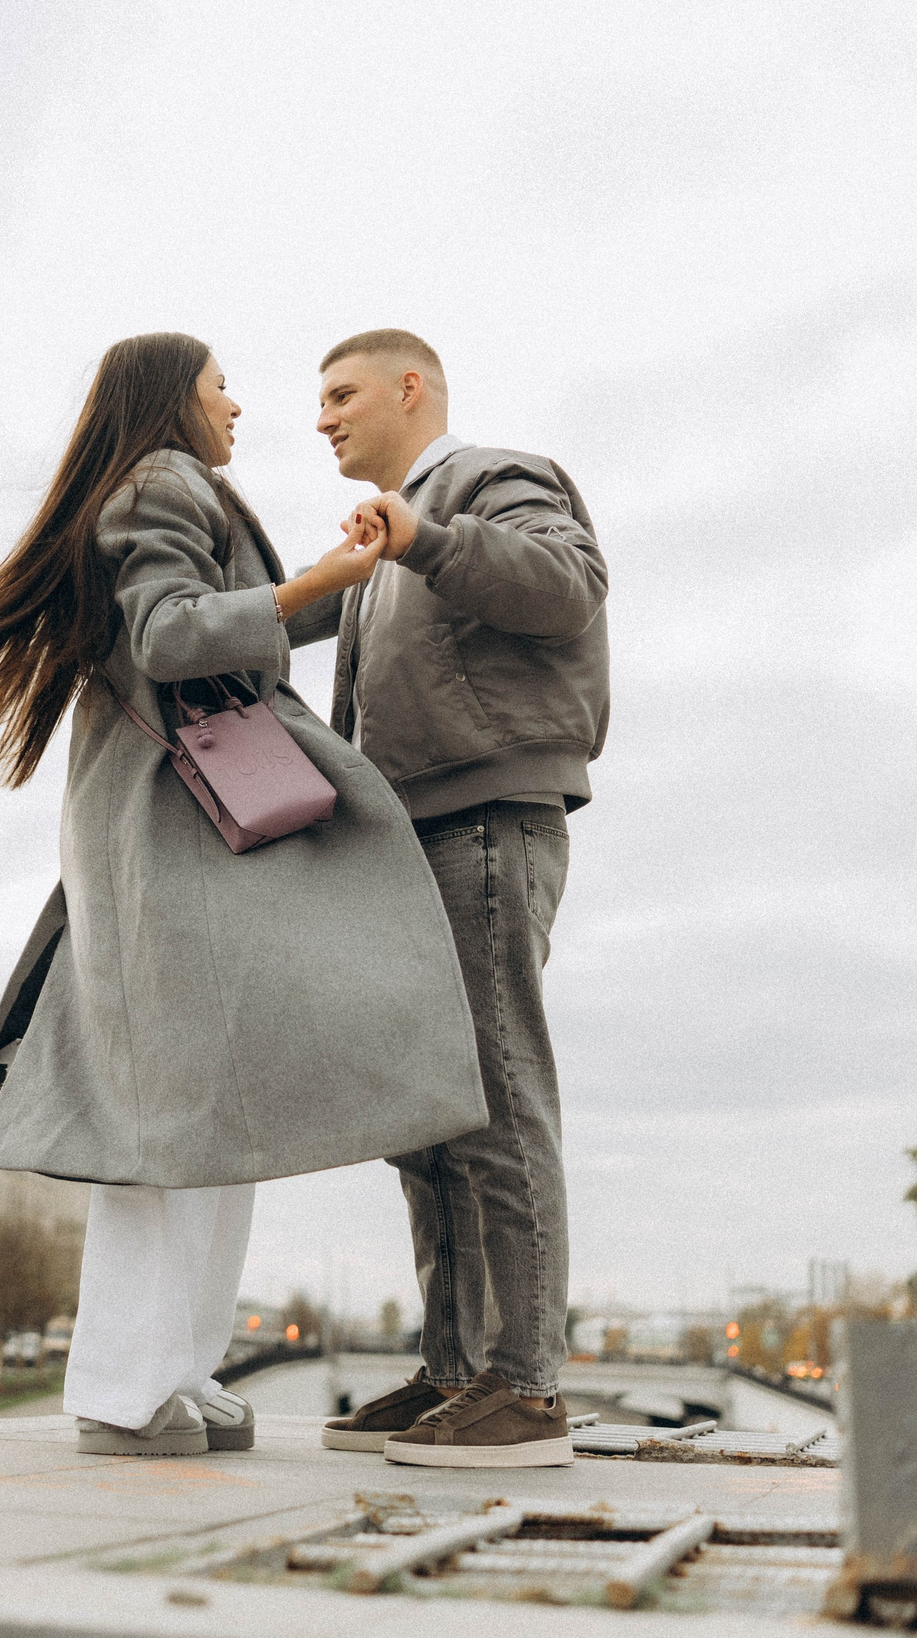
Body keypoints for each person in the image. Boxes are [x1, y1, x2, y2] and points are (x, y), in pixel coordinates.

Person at [0, 332, 485, 1457]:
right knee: (168, 1117)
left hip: (182, 829)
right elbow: (167, 636)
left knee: (211, 1111)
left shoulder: (173, 486)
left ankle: (176, 1371)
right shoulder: (162, 480)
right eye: (222, 388)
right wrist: (318, 583)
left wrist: (331, 580)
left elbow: (215, 624)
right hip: (171, 834)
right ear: (172, 400)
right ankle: (124, 1389)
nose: (240, 408)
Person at [294, 329, 609, 1470]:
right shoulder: (389, 540)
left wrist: (424, 536)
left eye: (339, 394)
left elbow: (566, 585)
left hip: (481, 824)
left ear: (408, 388)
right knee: (427, 1119)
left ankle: (522, 1392)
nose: (320, 417)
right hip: (410, 837)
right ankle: (453, 1373)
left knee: (495, 1094)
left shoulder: (486, 481)